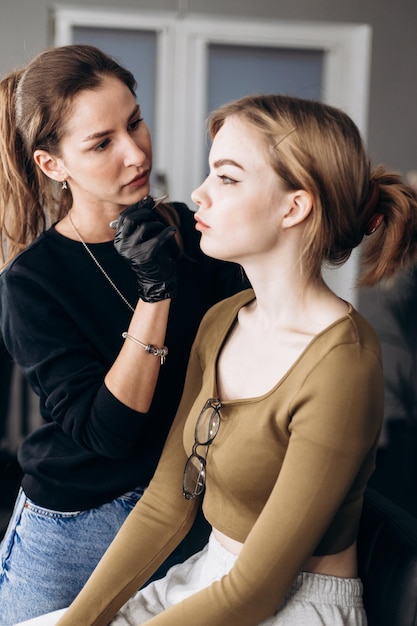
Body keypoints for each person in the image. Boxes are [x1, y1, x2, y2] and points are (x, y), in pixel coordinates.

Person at [15, 93, 417, 626]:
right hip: (206, 576)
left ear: (293, 207)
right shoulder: (222, 318)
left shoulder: (344, 363)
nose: (197, 195)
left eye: (225, 178)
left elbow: (254, 593)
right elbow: (164, 505)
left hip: (291, 606)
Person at [0, 44, 248, 625]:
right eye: (102, 142)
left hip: (185, 504)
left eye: (134, 121)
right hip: (77, 523)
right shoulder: (31, 282)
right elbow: (108, 433)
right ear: (52, 165)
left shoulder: (191, 229)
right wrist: (154, 295)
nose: (136, 152)